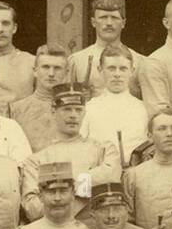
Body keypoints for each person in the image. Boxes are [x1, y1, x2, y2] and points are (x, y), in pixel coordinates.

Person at [19, 85, 119, 221]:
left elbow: (112, 175)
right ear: (53, 112)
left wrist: (69, 189)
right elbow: (33, 209)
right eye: (67, 109)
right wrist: (83, 191)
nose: (73, 115)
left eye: (78, 110)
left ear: (84, 113)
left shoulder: (103, 148)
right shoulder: (36, 160)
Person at [81, 44, 158, 166]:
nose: (117, 74)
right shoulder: (89, 108)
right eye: (111, 68)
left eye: (123, 69)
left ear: (132, 71)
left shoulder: (143, 108)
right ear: (100, 70)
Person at [68, 0, 144, 98]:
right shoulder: (76, 61)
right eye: (103, 17)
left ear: (123, 23)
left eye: (114, 18)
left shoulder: (139, 62)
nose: (109, 23)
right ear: (93, 22)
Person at [8, 44, 71, 152]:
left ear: (66, 73)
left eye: (57, 68)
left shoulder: (76, 109)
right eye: (46, 67)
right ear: (35, 71)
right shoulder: (16, 110)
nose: (51, 74)